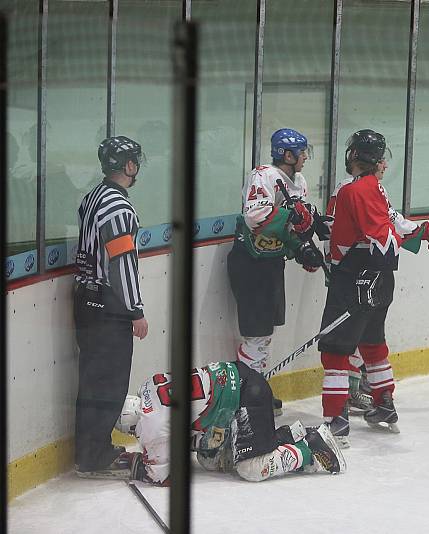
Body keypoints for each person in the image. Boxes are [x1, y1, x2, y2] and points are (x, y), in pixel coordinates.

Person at [318, 129, 429, 447]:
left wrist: (410, 237)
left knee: (335, 351)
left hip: (354, 279)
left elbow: (384, 241)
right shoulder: (375, 187)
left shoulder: (352, 190)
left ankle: (335, 422)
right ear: (378, 163)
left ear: (352, 157)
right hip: (380, 280)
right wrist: (423, 231)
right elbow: (391, 225)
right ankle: (384, 406)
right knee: (372, 343)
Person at [112, 360, 345, 484]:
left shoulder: (149, 424)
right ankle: (291, 435)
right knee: (210, 459)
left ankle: (311, 447)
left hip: (246, 397)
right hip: (237, 381)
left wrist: (135, 462)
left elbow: (163, 478)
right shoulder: (147, 386)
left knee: (250, 469)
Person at [227, 128, 325, 414]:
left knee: (264, 336)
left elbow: (293, 228)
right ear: (287, 154)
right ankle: (246, 396)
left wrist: (301, 248)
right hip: (250, 264)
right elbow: (255, 216)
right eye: (302, 152)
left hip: (271, 264)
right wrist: (290, 216)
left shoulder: (299, 181)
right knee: (256, 336)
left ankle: (254, 391)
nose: (306, 157)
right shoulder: (263, 176)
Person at [74, 135, 149, 477]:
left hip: (86, 299)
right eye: (135, 160)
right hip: (108, 306)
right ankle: (94, 454)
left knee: (93, 379)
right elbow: (122, 263)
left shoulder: (93, 197)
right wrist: (136, 309)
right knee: (108, 383)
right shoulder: (118, 206)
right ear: (128, 166)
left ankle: (89, 450)